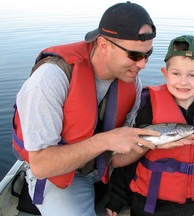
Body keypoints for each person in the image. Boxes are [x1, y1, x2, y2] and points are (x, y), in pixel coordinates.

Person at [11, 2, 176, 216]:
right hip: (58, 174)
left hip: (102, 168)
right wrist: (106, 140)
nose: (143, 64)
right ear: (104, 44)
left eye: (148, 54)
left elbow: (115, 157)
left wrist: (153, 143)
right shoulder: (50, 79)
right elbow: (42, 165)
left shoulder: (131, 82)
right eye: (134, 55)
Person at [105, 35, 194, 216]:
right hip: (152, 202)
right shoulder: (148, 107)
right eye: (176, 74)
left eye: (192, 75)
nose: (183, 82)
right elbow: (131, 153)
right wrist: (118, 197)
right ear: (165, 74)